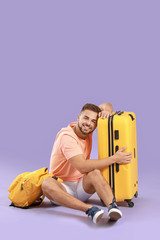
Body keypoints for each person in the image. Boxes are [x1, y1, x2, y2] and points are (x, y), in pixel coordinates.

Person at [42, 103, 132, 224]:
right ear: (78, 117)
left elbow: (106, 105)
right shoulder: (67, 137)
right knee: (46, 183)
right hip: (62, 189)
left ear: (96, 124)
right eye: (86, 118)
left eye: (93, 121)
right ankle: (90, 209)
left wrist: (107, 112)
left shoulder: (87, 130)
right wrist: (114, 158)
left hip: (81, 187)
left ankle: (112, 206)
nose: (88, 123)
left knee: (95, 172)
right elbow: (82, 166)